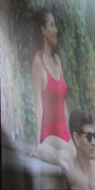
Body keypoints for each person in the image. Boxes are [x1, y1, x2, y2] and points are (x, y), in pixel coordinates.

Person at [31, 10, 69, 144]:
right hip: (49, 140)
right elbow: (38, 108)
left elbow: (64, 105)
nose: (56, 30)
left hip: (64, 139)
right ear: (43, 30)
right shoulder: (38, 63)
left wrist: (70, 140)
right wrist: (38, 145)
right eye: (52, 25)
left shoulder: (57, 61)